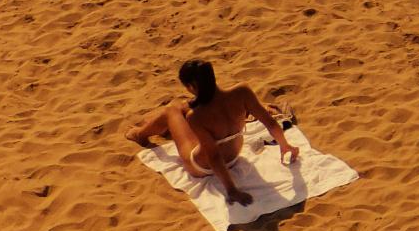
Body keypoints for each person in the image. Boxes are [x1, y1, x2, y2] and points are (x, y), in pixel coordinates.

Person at [124, 59, 298, 206]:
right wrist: (285, 145)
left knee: (172, 110)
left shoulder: (196, 116)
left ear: (191, 86)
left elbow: (213, 155)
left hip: (202, 166)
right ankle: (159, 130)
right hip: (234, 155)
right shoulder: (242, 92)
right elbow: (270, 122)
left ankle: (139, 134)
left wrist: (232, 190)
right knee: (183, 106)